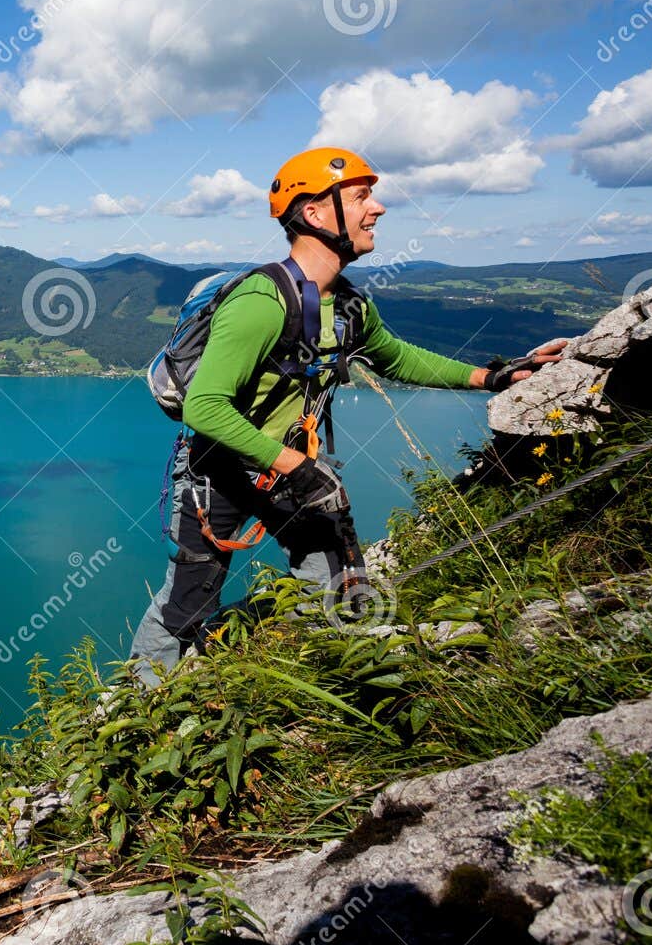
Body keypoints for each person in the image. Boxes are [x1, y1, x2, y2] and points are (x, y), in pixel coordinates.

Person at [128, 147, 563, 680]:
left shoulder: (351, 304)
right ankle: (135, 702)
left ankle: (319, 684)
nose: (377, 208)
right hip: (221, 472)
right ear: (314, 213)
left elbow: (398, 356)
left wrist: (490, 376)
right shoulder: (261, 301)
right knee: (187, 603)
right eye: (360, 197)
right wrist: (301, 468)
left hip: (290, 471)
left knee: (338, 584)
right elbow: (205, 407)